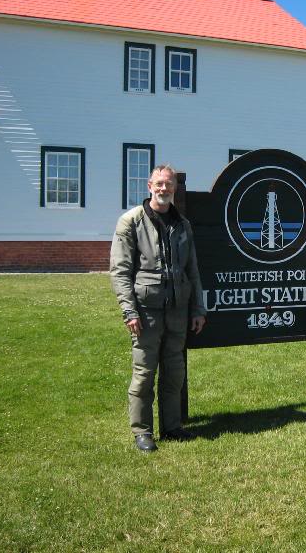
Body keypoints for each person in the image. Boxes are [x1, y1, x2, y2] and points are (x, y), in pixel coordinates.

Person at [110, 164, 206, 452]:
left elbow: (192, 269)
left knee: (174, 372)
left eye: (170, 184)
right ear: (149, 186)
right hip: (146, 311)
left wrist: (198, 308)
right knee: (144, 373)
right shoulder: (131, 222)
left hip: (177, 309)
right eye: (160, 184)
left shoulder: (182, 224)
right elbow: (119, 270)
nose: (165, 189)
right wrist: (130, 311)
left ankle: (172, 427)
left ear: (175, 188)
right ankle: (142, 431)